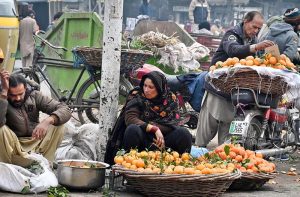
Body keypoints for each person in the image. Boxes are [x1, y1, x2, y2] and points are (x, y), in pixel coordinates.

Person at [195, 11, 275, 147]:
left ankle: (223, 161)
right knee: (206, 129)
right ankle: (195, 153)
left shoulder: (252, 39)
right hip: (217, 87)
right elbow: (233, 50)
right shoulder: (232, 34)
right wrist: (255, 47)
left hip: (233, 92)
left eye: (258, 29)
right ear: (245, 21)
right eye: (254, 27)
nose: (256, 31)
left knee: (227, 135)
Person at [0, 70, 71, 166]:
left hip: (35, 140)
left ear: (25, 88)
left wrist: (48, 120)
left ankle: (45, 164)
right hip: (13, 145)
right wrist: (4, 93)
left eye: (20, 94)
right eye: (12, 95)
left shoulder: (34, 95)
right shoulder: (2, 98)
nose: (17, 98)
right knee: (1, 129)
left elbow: (65, 110)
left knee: (58, 123)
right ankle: (7, 167)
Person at [122, 71, 192, 154]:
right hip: (143, 139)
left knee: (184, 133)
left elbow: (173, 124)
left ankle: (179, 162)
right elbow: (130, 119)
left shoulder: (170, 99)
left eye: (151, 87)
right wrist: (154, 129)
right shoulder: (137, 96)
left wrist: (159, 133)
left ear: (159, 88)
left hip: (164, 141)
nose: (146, 90)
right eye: (145, 85)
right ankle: (131, 160)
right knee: (132, 129)